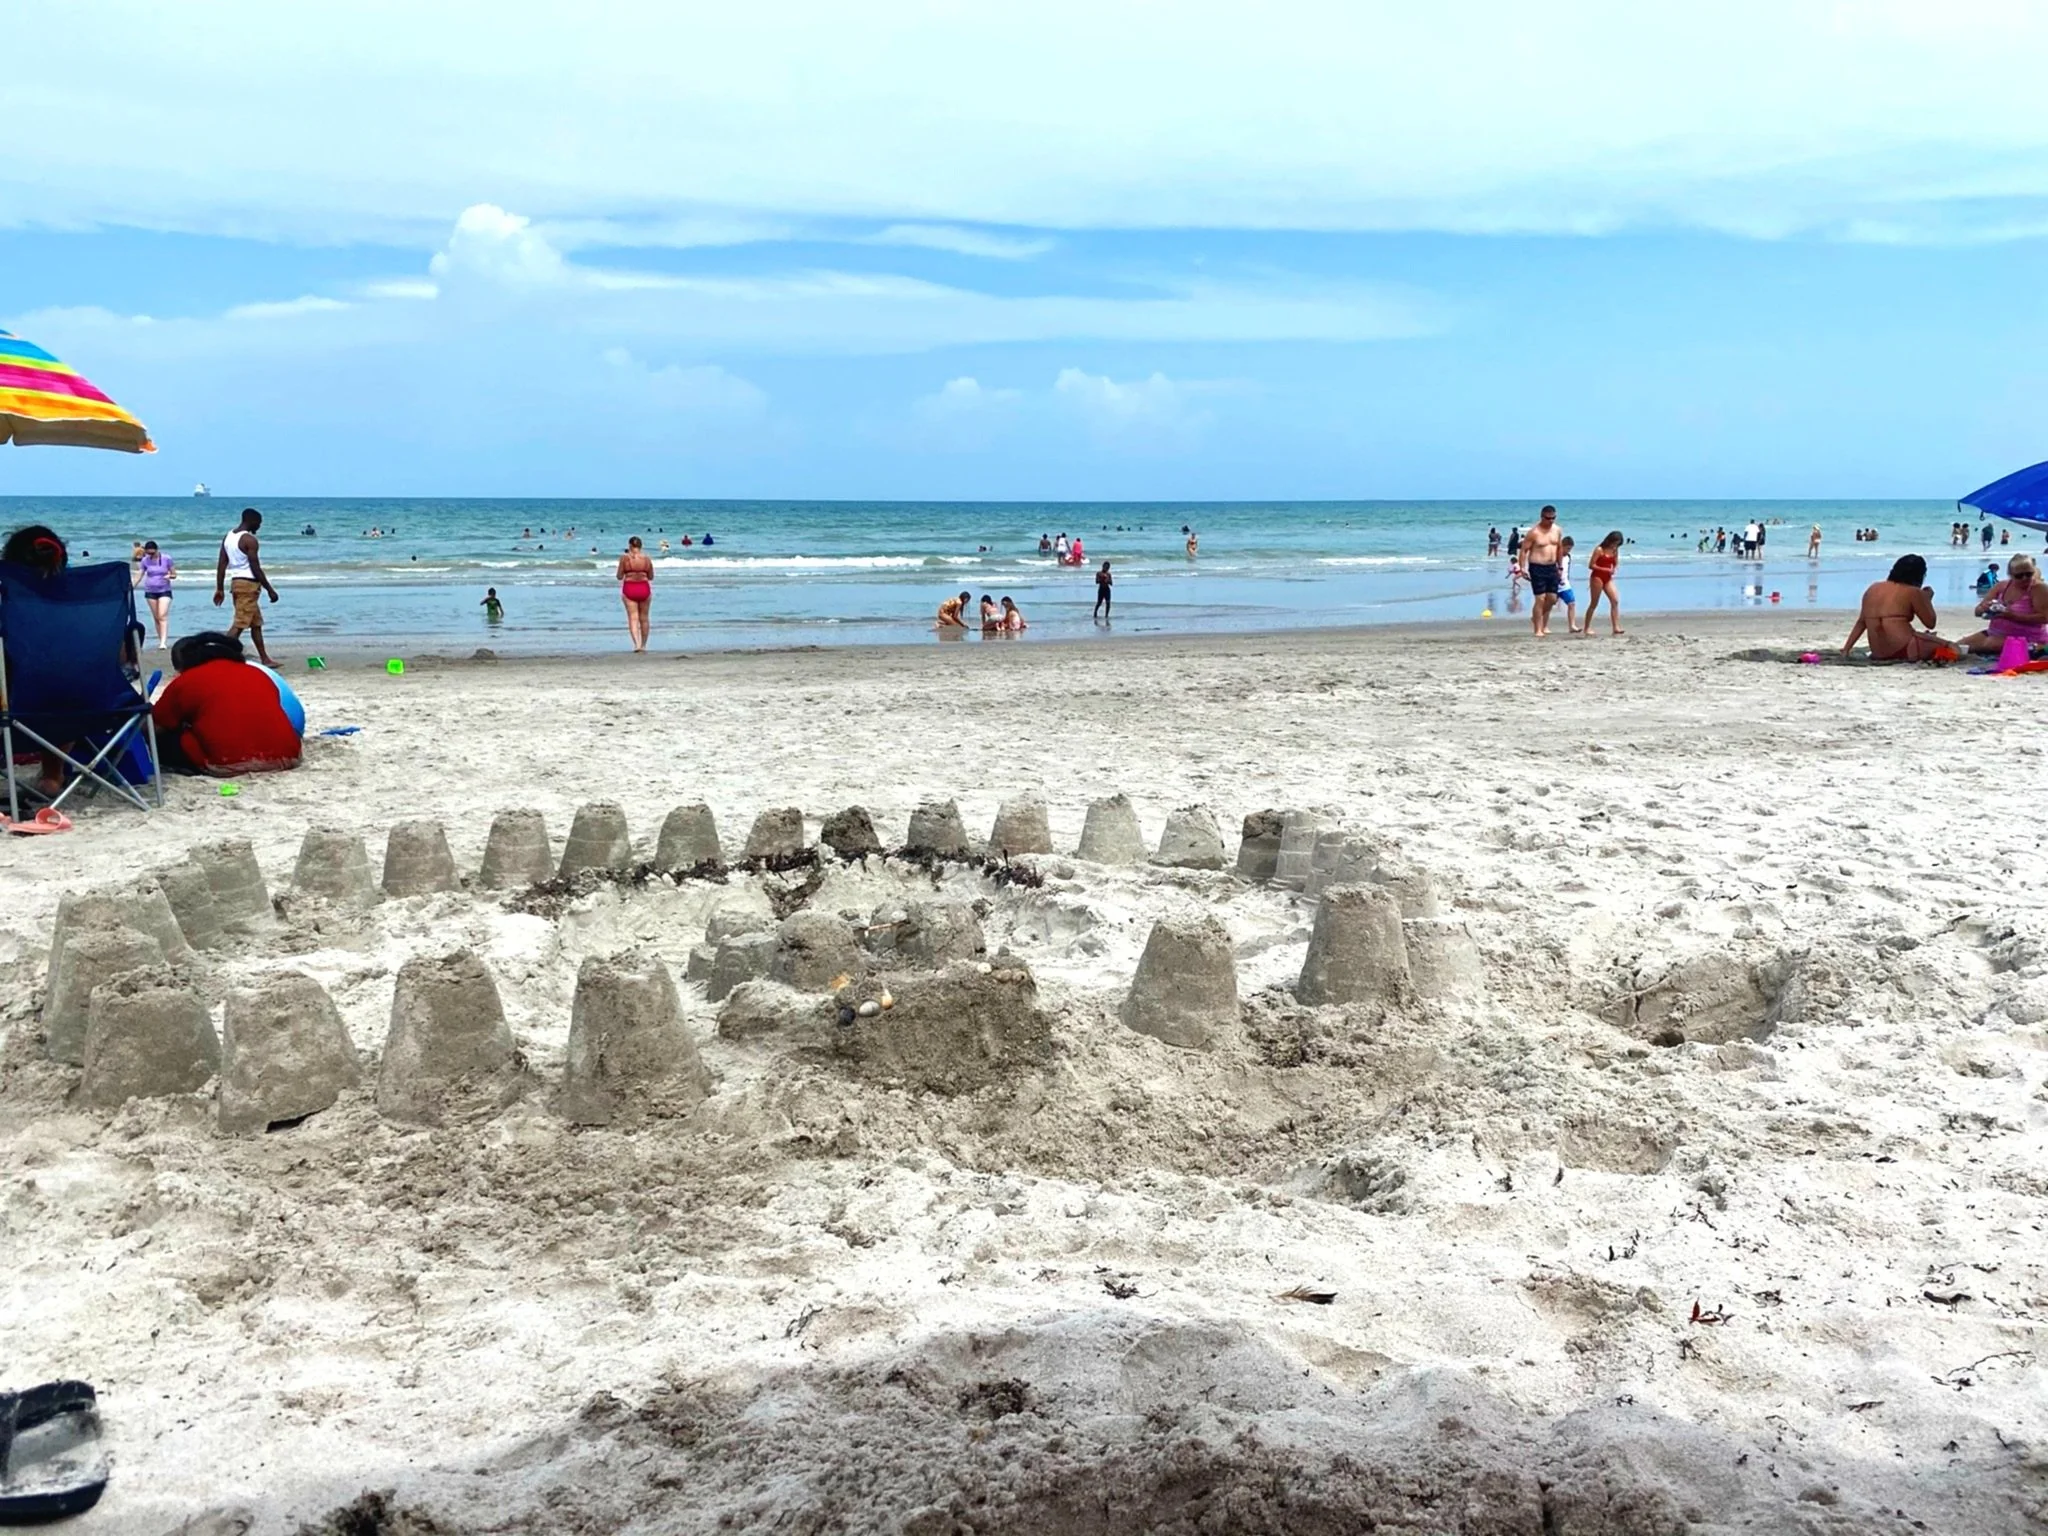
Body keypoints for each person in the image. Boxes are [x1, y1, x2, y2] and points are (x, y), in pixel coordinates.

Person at [150, 631, 301, 776]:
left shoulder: (187, 681)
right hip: (289, 756)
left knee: (163, 739)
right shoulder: (258, 674)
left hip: (228, 762)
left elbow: (155, 726)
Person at [1843, 555, 1949, 661]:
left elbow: (1861, 622)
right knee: (1952, 648)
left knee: (1928, 639)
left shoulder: (1873, 588)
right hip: (1905, 648)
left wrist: (1847, 649)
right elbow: (1930, 623)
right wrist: (1927, 600)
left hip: (1878, 653)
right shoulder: (1913, 591)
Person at [212, 508, 279, 667]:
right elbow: (255, 567)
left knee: (256, 623)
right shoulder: (249, 540)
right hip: (248, 585)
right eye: (259, 524)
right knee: (240, 624)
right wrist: (270, 589)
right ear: (252, 521)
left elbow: (222, 564)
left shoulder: (228, 537)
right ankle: (216, 656)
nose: (259, 527)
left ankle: (265, 658)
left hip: (236, 583)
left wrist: (220, 588)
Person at [1960, 553, 2047, 656]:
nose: (2025, 578)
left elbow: (2044, 618)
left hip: (2027, 637)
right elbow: (1977, 611)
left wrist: (2012, 616)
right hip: (1994, 633)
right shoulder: (2001, 586)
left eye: (2029, 574)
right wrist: (1985, 608)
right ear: (2010, 575)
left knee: (1991, 644)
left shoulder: (2038, 589)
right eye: (2019, 576)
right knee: (1957, 646)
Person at [1517, 505, 1565, 636]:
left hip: (1552, 567)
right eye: (1548, 518)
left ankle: (1537, 618)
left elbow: (1559, 548)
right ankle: (1538, 629)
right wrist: (1522, 568)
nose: (1551, 521)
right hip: (1537, 567)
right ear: (1542, 517)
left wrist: (1560, 567)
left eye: (1553, 518)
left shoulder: (1557, 530)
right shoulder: (1534, 532)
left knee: (1552, 598)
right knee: (1540, 599)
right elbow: (1523, 551)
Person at [1581, 530, 1624, 635]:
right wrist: (1605, 569)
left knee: (1615, 601)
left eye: (1617, 544)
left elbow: (1615, 562)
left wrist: (1614, 568)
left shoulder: (1615, 550)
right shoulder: (1599, 550)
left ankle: (1616, 627)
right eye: (1615, 542)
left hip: (1608, 578)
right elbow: (1591, 565)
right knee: (1594, 603)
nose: (1615, 545)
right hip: (1597, 577)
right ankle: (1586, 627)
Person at [616, 536, 654, 652]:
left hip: (630, 587)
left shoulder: (625, 558)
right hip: (644, 587)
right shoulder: (646, 559)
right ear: (641, 546)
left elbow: (619, 576)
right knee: (644, 618)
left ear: (630, 546)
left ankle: (637, 645)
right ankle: (644, 645)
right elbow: (651, 576)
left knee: (633, 618)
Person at [136, 540, 176, 649]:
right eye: (148, 553)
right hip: (150, 591)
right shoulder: (145, 560)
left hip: (164, 590)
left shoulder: (166, 558)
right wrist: (133, 585)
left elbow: (174, 574)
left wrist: (169, 576)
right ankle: (160, 640)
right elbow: (140, 574)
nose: (150, 555)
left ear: (157, 550)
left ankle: (163, 642)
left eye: (152, 553)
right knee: (156, 617)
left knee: (162, 615)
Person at [1555, 537, 1581, 634]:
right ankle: (1542, 625)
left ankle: (1572, 626)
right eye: (1567, 548)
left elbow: (1566, 571)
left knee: (1572, 603)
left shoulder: (1568, 557)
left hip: (1565, 584)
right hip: (1554, 585)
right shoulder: (1555, 556)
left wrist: (1564, 580)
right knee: (1548, 605)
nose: (1568, 551)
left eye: (1570, 549)